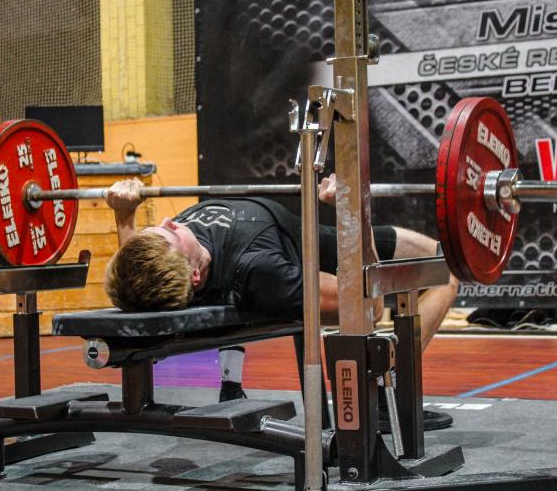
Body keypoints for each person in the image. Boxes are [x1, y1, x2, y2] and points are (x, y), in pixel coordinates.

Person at [104, 175, 459, 430]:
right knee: (447, 275)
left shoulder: (162, 263)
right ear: (194, 275)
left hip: (303, 233)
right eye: (169, 233)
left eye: (157, 228)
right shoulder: (259, 272)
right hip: (314, 249)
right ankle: (382, 387)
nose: (169, 220)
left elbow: (138, 279)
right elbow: (368, 309)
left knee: (441, 258)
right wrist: (354, 214)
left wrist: (125, 216)